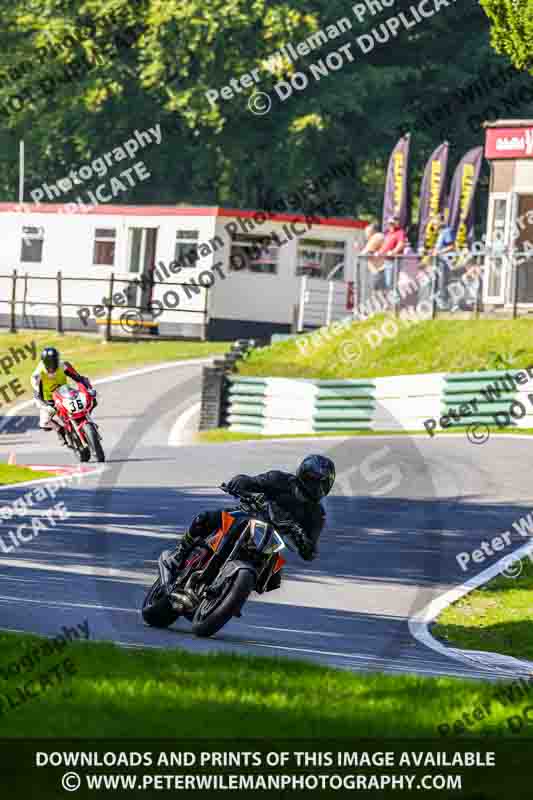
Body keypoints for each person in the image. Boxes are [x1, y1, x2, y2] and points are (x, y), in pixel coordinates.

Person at [166, 454, 336, 591]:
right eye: (314, 481)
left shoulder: (316, 515)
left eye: (323, 484)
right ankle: (179, 554)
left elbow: (310, 550)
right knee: (204, 518)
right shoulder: (280, 479)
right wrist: (240, 482)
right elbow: (253, 481)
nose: (317, 488)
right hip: (250, 515)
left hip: (272, 539)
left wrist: (303, 540)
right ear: (304, 475)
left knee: (273, 580)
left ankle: (231, 592)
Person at [31, 346, 96, 445]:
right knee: (44, 423)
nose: (52, 367)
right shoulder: (37, 374)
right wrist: (45, 405)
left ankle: (86, 420)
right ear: (44, 362)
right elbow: (36, 393)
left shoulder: (64, 365)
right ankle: (59, 430)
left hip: (66, 393)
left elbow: (79, 378)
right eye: (50, 364)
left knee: (92, 401)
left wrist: (88, 388)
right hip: (48, 399)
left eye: (54, 362)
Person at [375, 215, 407, 291]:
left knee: (391, 283)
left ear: (396, 223)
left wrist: (393, 252)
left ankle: (394, 301)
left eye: (392, 223)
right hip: (387, 261)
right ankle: (391, 300)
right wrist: (379, 252)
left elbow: (401, 244)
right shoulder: (388, 234)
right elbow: (385, 246)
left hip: (394, 261)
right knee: (388, 283)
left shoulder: (400, 232)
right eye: (389, 224)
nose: (390, 225)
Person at [431, 214, 456, 310]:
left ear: (441, 222)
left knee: (443, 283)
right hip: (439, 262)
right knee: (438, 283)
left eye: (435, 222)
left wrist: (439, 252)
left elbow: (451, 246)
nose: (434, 225)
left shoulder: (447, 231)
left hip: (445, 263)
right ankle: (440, 304)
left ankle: (447, 305)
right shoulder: (440, 233)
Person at [358, 222, 385, 292]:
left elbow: (366, 253)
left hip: (379, 271)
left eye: (367, 232)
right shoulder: (373, 239)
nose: (366, 234)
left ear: (373, 231)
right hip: (377, 271)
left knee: (377, 294)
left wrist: (361, 252)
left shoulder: (377, 236)